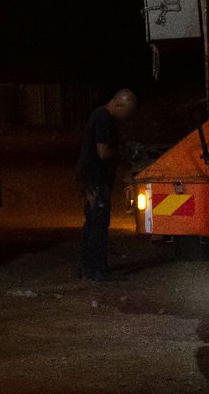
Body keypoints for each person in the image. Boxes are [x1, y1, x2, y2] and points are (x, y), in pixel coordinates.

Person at [77, 88, 138, 281]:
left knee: (93, 222)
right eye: (126, 112)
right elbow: (103, 152)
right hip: (95, 177)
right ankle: (98, 270)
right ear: (118, 103)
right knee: (99, 223)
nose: (126, 117)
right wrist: (124, 154)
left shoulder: (102, 116)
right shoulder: (103, 118)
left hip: (92, 177)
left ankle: (88, 268)